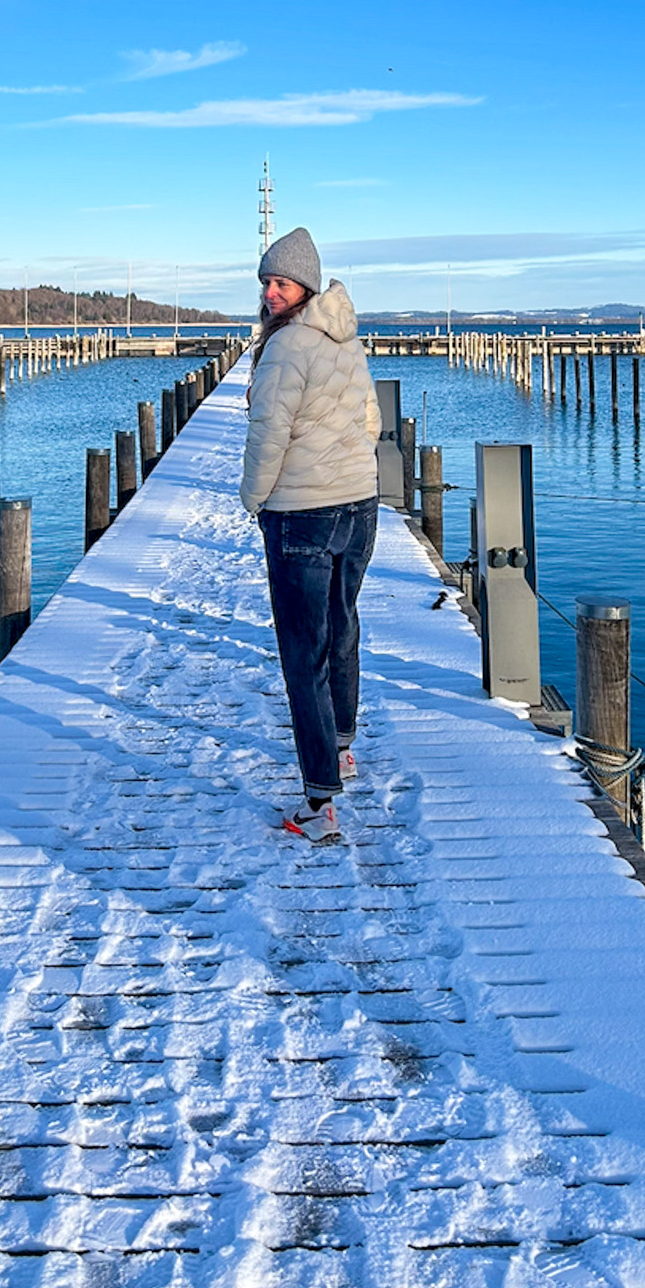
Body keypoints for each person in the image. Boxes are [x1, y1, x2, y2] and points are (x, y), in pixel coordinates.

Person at [240, 226, 380, 844]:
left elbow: (268, 433)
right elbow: (372, 420)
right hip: (359, 506)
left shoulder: (286, 345)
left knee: (304, 655)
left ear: (305, 288)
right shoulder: (346, 338)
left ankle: (320, 804)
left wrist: (253, 498)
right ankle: (341, 747)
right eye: (266, 282)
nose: (271, 292)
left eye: (282, 282)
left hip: (303, 513)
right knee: (341, 627)